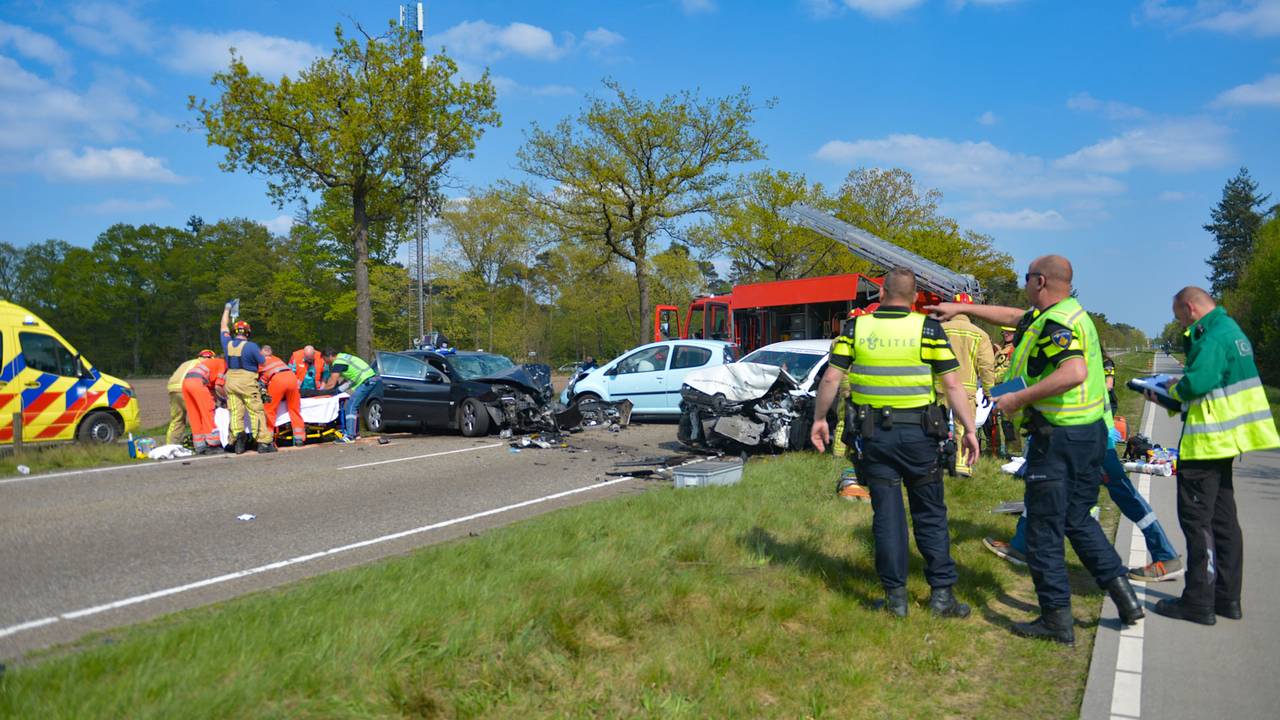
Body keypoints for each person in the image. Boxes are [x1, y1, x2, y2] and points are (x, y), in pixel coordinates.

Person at [927, 255, 1143, 645]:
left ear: (1040, 280)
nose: (1024, 285)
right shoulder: (1064, 313)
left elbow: (1073, 372)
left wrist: (1018, 398)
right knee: (1078, 519)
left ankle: (1056, 620)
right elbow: (1012, 316)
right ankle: (1126, 600)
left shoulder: (1057, 323)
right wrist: (962, 307)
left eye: (1026, 279)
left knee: (1044, 529)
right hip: (1090, 434)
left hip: (1060, 438)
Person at [811, 268, 980, 619]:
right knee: (930, 514)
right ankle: (942, 597)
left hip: (875, 438)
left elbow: (831, 376)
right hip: (920, 438)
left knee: (887, 516)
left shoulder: (856, 328)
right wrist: (970, 430)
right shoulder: (928, 329)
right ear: (916, 296)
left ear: (881, 293)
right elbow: (952, 384)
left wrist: (818, 420)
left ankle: (896, 600)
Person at [1147, 287, 1279, 625]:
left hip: (1205, 443)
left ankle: (1198, 601)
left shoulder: (1212, 338)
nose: (1181, 325)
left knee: (1197, 524)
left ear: (1190, 308)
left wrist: (1168, 389)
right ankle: (1227, 597)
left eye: (1180, 317)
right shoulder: (1232, 331)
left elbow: (1198, 382)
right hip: (1225, 442)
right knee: (1224, 523)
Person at [983, 409, 1185, 582]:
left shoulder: (1075, 363)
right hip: (1087, 434)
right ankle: (1022, 545)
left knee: (1115, 497)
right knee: (1045, 489)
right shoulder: (1086, 363)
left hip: (1080, 437)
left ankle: (1157, 559)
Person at [933, 293, 996, 476]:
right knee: (964, 427)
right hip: (966, 389)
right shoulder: (980, 334)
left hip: (940, 386)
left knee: (938, 424)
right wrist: (989, 391)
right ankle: (962, 465)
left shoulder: (940, 329)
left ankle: (937, 463)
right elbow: (986, 367)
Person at [220, 304, 275, 454]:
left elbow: (223, 326)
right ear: (248, 333)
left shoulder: (227, 343)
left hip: (230, 380)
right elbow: (263, 362)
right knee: (255, 411)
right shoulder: (252, 347)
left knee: (236, 411)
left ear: (234, 332)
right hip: (247, 381)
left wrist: (226, 310)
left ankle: (236, 439)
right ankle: (263, 442)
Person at [321, 348, 380, 441]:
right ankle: (355, 434)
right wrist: (338, 391)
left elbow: (331, 383)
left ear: (328, 356)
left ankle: (350, 436)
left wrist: (321, 392)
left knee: (351, 406)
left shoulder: (338, 363)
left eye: (324, 360)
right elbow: (349, 379)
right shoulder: (343, 357)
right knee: (353, 406)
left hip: (366, 381)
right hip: (369, 378)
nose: (325, 362)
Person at [261, 346, 305, 447]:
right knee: (294, 409)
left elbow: (260, 381)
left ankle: (268, 438)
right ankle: (299, 438)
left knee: (269, 409)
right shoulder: (277, 359)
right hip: (292, 378)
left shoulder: (260, 360)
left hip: (277, 380)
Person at [181, 350, 224, 454]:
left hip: (186, 382)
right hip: (198, 382)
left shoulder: (210, 363)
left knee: (194, 414)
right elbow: (218, 387)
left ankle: (199, 445)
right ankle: (213, 445)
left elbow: (212, 389)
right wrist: (224, 399)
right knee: (208, 412)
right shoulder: (223, 364)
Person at [165, 352, 208, 445]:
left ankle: (170, 445)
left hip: (173, 389)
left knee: (177, 418)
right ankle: (202, 443)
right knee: (199, 415)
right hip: (186, 388)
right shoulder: (205, 364)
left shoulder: (186, 363)